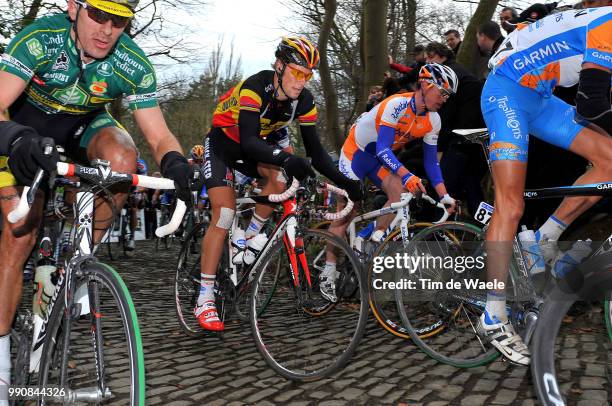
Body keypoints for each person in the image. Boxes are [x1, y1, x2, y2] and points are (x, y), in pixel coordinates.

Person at [0, 0, 192, 392]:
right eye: (98, 16)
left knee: (123, 158)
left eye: (118, 20)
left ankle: (77, 259)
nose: (107, 30)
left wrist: (176, 164)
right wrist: (17, 140)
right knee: (18, 236)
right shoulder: (41, 39)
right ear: (74, 8)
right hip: (21, 132)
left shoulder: (131, 61)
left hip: (79, 132)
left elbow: (158, 135)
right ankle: (1, 363)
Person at [195, 37, 362, 331]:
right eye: (296, 72)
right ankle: (205, 297)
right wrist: (286, 159)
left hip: (256, 146)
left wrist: (346, 182)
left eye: (307, 75)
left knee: (282, 178)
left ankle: (249, 238)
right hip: (225, 143)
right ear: (279, 65)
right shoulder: (255, 87)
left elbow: (317, 154)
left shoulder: (306, 102)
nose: (301, 81)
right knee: (223, 213)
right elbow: (247, 139)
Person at [477, 6, 612, 366]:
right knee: (512, 202)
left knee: (611, 160)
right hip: (506, 92)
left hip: (541, 98)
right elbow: (593, 104)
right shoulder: (607, 22)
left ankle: (544, 238)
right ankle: (493, 312)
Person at [326, 63, 459, 302]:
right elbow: (383, 149)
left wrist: (444, 195)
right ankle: (328, 270)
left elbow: (432, 163)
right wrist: (407, 175)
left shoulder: (434, 121)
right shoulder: (396, 104)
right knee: (347, 212)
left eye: (449, 96)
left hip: (378, 157)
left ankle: (371, 240)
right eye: (443, 93)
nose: (445, 99)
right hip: (355, 152)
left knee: (397, 194)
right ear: (427, 85)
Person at [423, 42, 487, 216]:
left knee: (442, 188)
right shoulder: (461, 72)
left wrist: (439, 149)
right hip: (477, 138)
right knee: (473, 189)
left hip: (461, 139)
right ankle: (486, 228)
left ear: (442, 56)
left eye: (431, 57)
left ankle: (435, 235)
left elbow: (445, 117)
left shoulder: (447, 76)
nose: (427, 62)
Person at [126, 156, 148, 250]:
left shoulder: (141, 165)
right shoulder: (123, 161)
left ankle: (132, 237)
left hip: (137, 185)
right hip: (125, 183)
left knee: (133, 208)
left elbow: (145, 184)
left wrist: (139, 191)